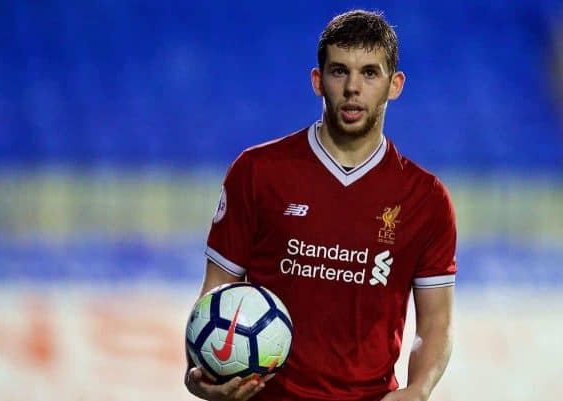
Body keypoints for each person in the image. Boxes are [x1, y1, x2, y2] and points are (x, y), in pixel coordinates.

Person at [185, 9, 457, 401]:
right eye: (339, 71)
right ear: (318, 80)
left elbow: (436, 323)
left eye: (370, 72)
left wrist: (418, 390)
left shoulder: (426, 199)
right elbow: (215, 292)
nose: (352, 88)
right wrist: (198, 371)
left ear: (394, 85)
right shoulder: (258, 171)